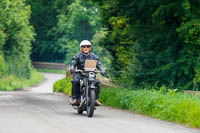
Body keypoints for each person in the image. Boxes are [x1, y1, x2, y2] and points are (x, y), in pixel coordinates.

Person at [70, 40, 107, 106]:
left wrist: (102, 70)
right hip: (80, 74)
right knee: (75, 82)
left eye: (88, 46)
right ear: (81, 48)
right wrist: (72, 68)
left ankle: (95, 99)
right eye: (84, 47)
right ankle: (75, 99)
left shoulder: (94, 56)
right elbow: (73, 63)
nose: (86, 48)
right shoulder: (77, 56)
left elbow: (99, 65)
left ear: (90, 48)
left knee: (97, 83)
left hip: (90, 75)